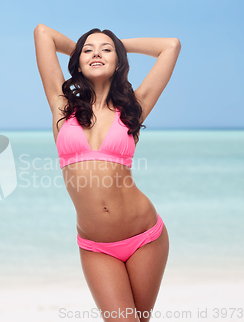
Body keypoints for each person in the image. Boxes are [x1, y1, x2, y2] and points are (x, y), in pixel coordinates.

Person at [34, 23, 181, 322]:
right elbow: (42, 33)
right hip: (96, 246)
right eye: (88, 50)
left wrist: (117, 43)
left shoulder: (133, 108)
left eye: (106, 50)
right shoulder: (61, 106)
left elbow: (171, 46)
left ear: (118, 62)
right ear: (77, 61)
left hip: (145, 237)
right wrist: (94, 48)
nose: (96, 53)